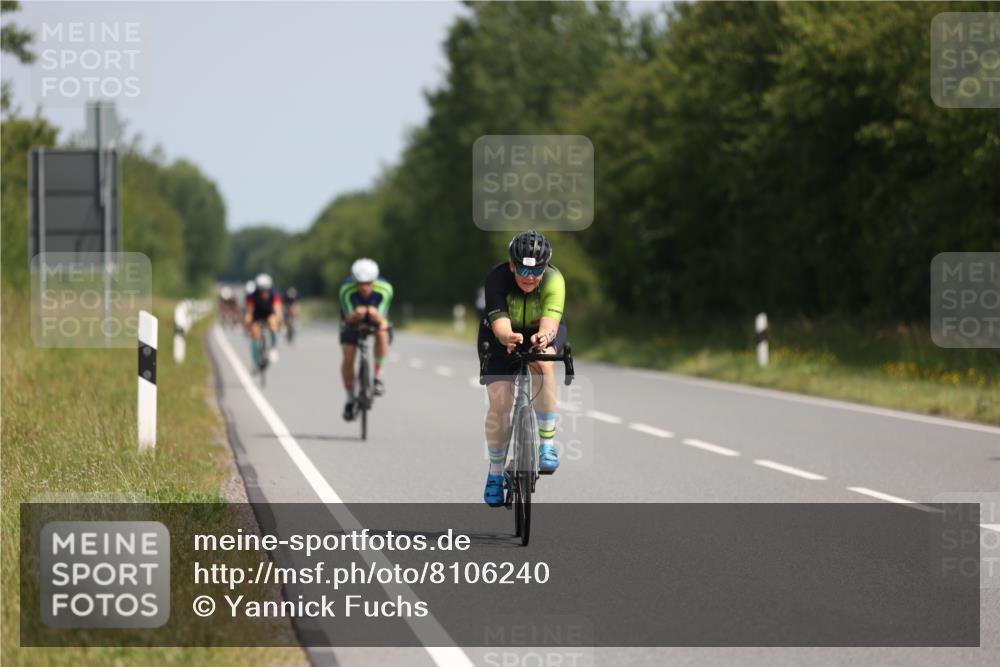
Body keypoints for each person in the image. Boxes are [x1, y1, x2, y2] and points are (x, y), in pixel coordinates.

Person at [478, 230, 566, 507]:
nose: (530, 276)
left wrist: (544, 338)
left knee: (543, 361)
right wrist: (507, 337)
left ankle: (547, 444)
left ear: (546, 266)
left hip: (541, 332)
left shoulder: (554, 279)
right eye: (524, 269)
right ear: (512, 264)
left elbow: (550, 324)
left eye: (537, 269)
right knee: (501, 401)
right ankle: (494, 473)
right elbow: (501, 324)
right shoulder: (497, 277)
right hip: (500, 333)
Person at [339, 258, 393, 420]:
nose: (364, 287)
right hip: (352, 321)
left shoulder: (386, 289)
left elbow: (382, 318)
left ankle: (377, 377)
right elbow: (348, 318)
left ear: (375, 280)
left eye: (368, 283)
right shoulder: (345, 289)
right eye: (360, 283)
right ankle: (349, 399)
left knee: (382, 334)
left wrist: (373, 314)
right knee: (348, 358)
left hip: (375, 319)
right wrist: (356, 315)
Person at [244, 273, 283, 368]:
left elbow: (278, 309)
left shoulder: (274, 294)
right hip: (257, 315)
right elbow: (249, 311)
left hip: (269, 313)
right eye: (261, 290)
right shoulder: (253, 296)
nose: (264, 292)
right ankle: (255, 362)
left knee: (273, 323)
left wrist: (279, 319)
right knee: (255, 334)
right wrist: (247, 320)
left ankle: (273, 348)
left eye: (266, 289)